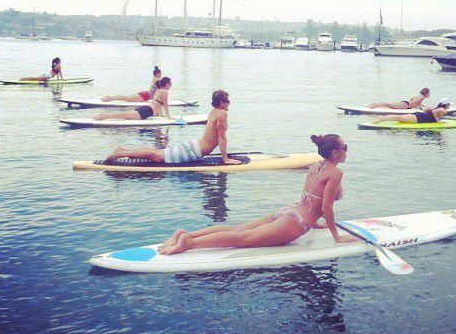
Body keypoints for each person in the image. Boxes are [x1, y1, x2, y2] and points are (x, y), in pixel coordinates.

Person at [157, 133, 358, 255]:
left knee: (238, 229)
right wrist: (336, 236)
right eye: (345, 148)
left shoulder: (316, 166)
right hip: (296, 223)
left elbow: (309, 197)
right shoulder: (336, 173)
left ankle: (187, 234)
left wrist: (315, 223)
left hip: (289, 211)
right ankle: (189, 243)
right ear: (335, 153)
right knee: (243, 239)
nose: (347, 151)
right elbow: (326, 208)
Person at [104, 89, 242, 165]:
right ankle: (120, 153)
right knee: (157, 156)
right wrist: (225, 159)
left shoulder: (215, 111)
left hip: (194, 146)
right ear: (221, 103)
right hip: (194, 151)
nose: (229, 104)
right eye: (228, 101)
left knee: (158, 153)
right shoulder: (222, 114)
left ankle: (123, 150)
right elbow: (221, 138)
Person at [93, 76, 172, 121]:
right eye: (170, 83)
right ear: (167, 84)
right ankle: (103, 116)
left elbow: (158, 105)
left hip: (146, 109)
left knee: (126, 115)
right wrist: (168, 117)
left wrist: (162, 115)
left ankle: (104, 115)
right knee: (125, 115)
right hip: (147, 111)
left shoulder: (159, 90)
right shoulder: (165, 91)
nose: (171, 85)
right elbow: (165, 105)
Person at [373, 98, 451, 124]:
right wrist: (438, 121)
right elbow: (434, 113)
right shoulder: (443, 110)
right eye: (449, 104)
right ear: (446, 105)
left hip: (419, 116)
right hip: (419, 118)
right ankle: (380, 119)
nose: (449, 106)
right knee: (398, 118)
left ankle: (381, 119)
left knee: (399, 118)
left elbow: (426, 110)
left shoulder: (436, 107)